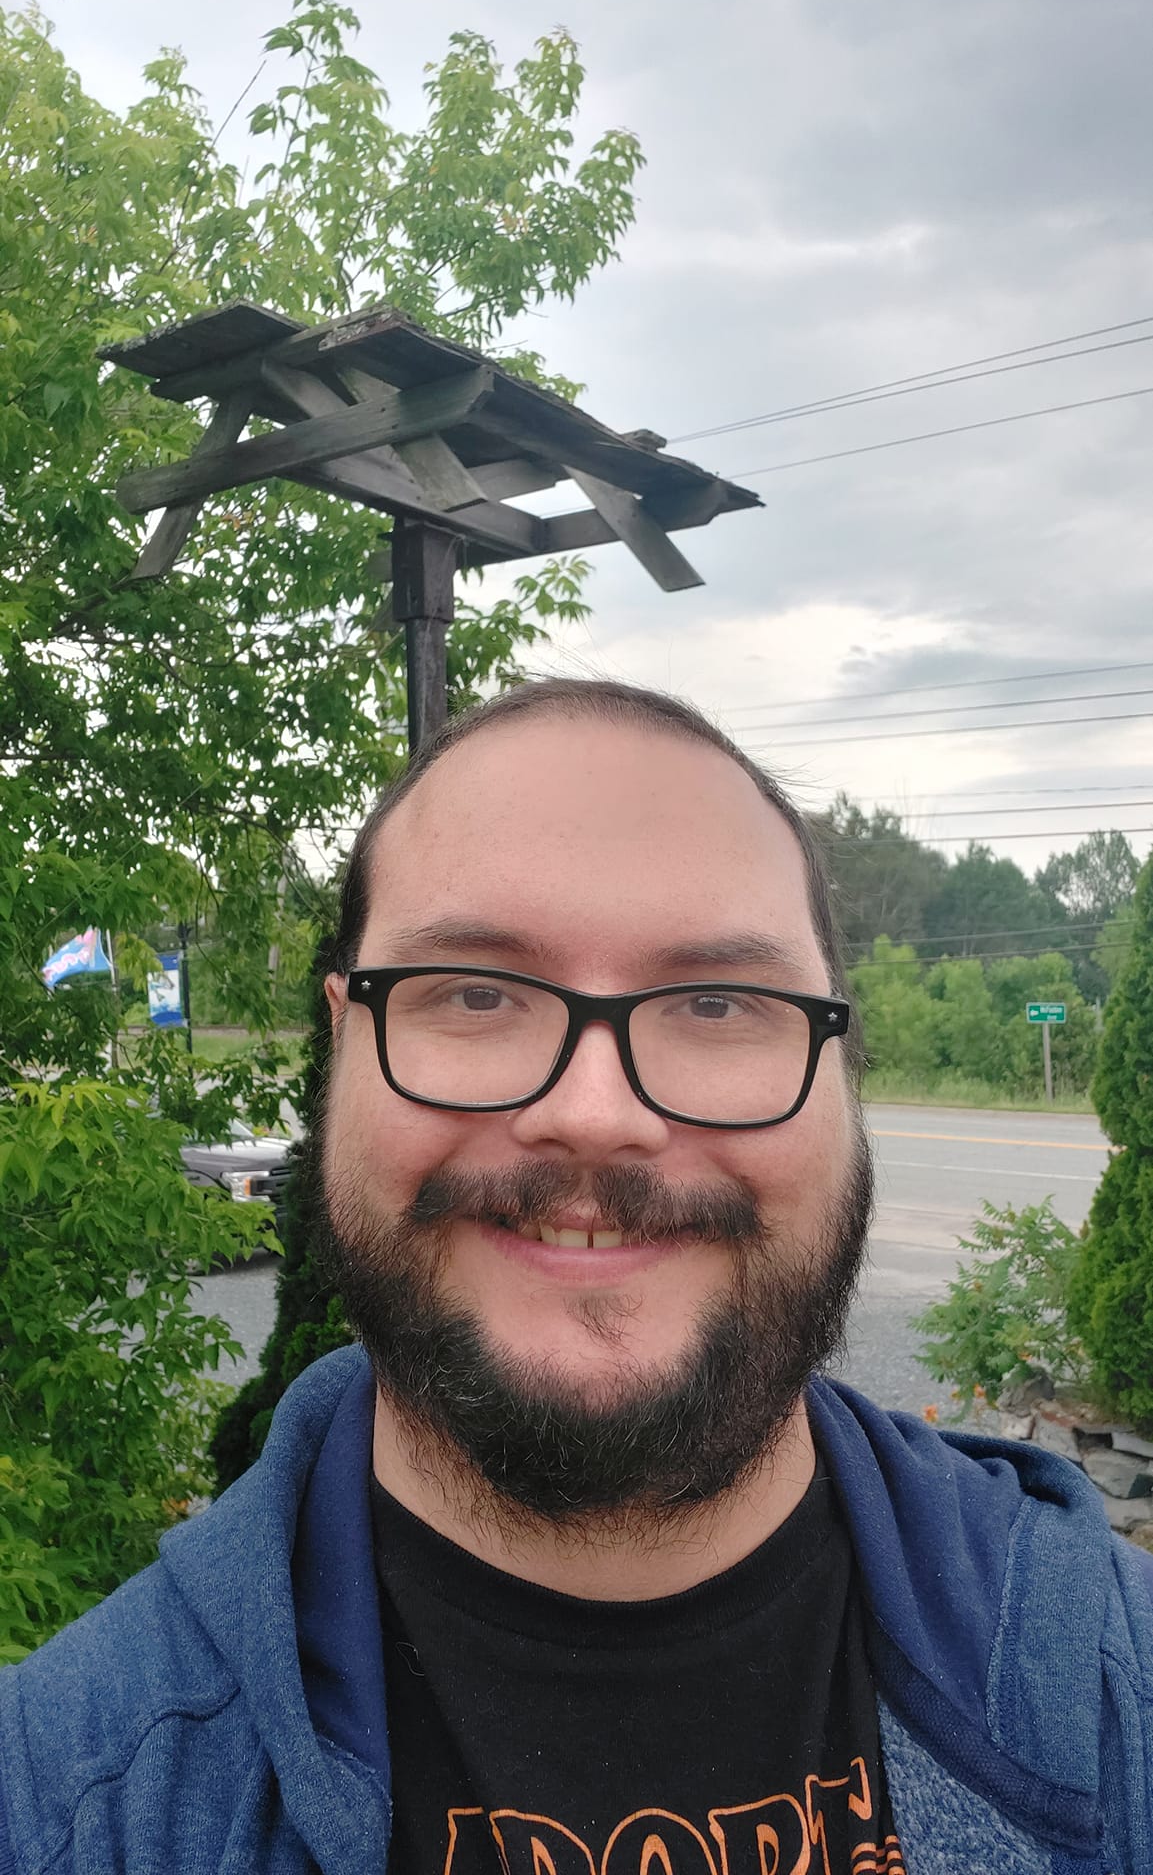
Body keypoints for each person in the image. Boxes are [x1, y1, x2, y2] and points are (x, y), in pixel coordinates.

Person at [1, 677, 1150, 1875]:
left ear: (845, 1076)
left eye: (717, 1000)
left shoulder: (1121, 1693)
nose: (593, 1114)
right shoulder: (66, 1801)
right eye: (476, 991)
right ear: (339, 1048)